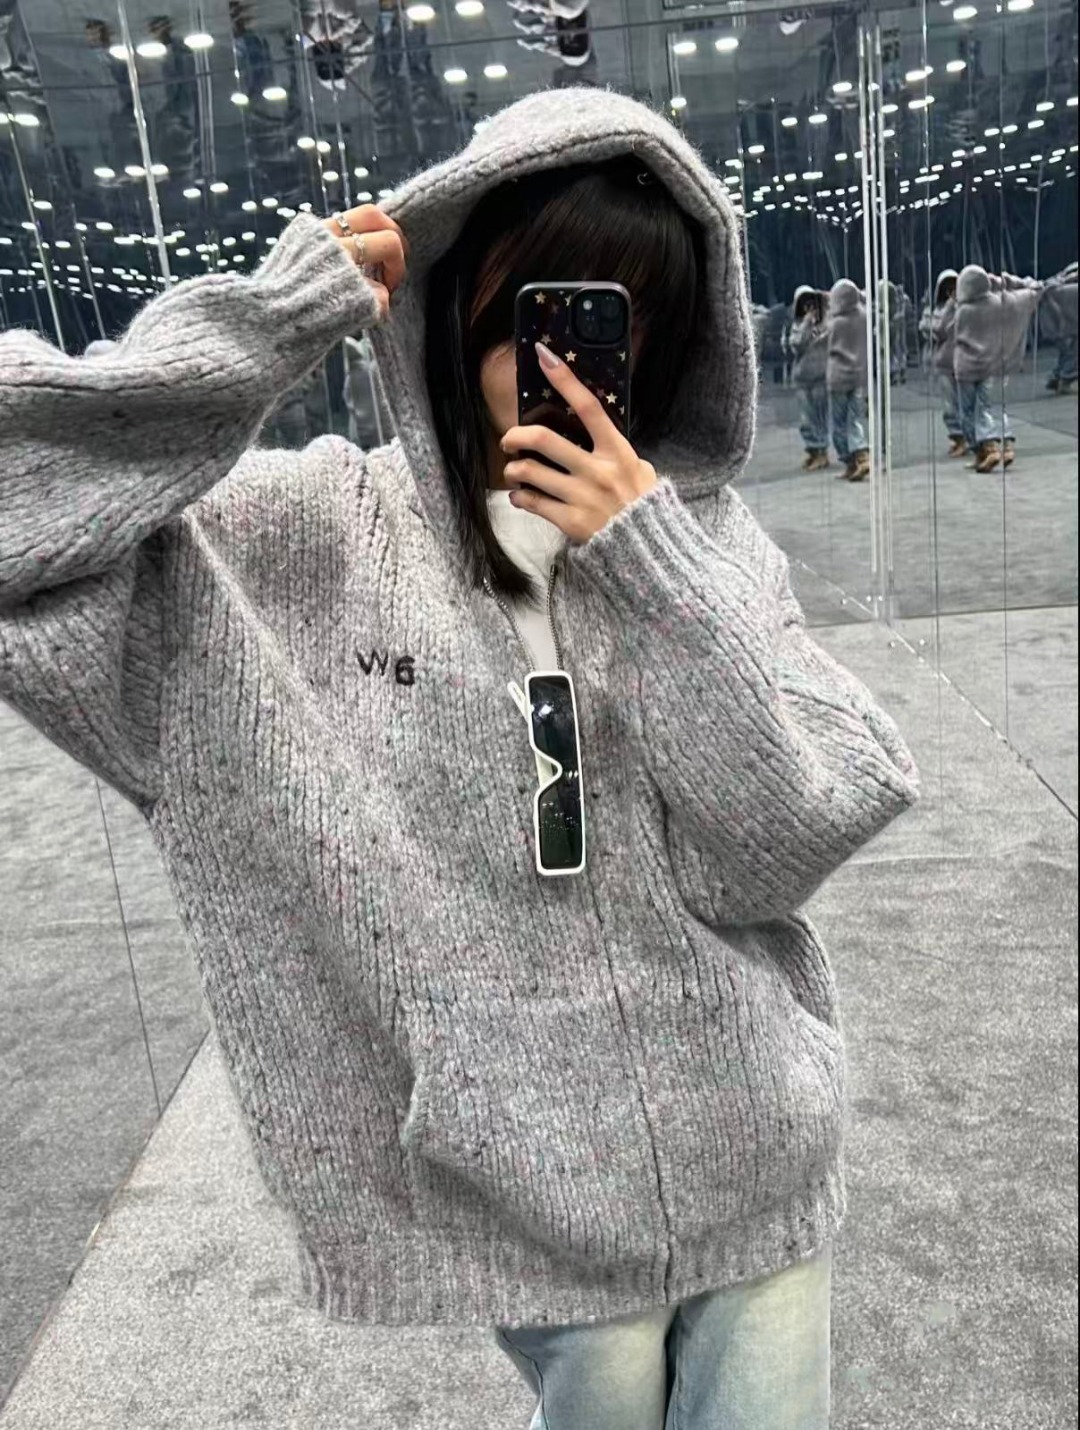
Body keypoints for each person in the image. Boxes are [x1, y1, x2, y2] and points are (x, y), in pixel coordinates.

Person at [0, 89, 919, 1430]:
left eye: (626, 322)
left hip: (755, 1137)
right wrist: (271, 323)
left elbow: (778, 843)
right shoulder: (309, 538)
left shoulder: (709, 545)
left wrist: (652, 569)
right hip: (520, 1166)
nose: (577, 363)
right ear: (460, 305)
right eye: (544, 310)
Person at [953, 264, 1043, 473]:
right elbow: (1035, 289)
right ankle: (1006, 446)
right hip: (993, 366)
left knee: (969, 412)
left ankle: (987, 449)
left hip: (966, 368)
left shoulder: (962, 311)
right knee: (991, 407)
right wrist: (1003, 281)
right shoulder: (1001, 303)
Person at [826, 277, 870, 481]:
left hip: (838, 377)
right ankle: (861, 457)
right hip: (859, 375)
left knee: (839, 423)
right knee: (855, 419)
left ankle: (851, 461)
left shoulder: (836, 323)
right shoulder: (864, 316)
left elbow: (823, 339)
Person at [919, 269, 965, 457]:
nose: (951, 290)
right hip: (944, 363)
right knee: (949, 404)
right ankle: (957, 436)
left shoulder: (965, 308)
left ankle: (966, 437)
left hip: (964, 361)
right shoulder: (936, 310)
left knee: (964, 402)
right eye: (947, 287)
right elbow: (929, 329)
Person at [789, 285, 830, 470]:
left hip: (821, 377)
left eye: (812, 302)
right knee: (806, 419)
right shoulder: (797, 326)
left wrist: (825, 303)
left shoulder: (826, 323)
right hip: (802, 379)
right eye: (804, 303)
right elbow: (797, 344)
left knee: (820, 417)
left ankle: (822, 452)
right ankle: (813, 450)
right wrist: (806, 322)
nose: (809, 307)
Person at [1041, 261, 1077, 397]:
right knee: (1072, 351)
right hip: (1062, 317)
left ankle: (1057, 377)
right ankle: (1064, 379)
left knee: (1068, 350)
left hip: (1060, 317)